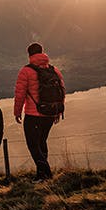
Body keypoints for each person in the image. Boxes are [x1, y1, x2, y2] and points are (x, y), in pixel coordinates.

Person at [13, 42, 65, 181]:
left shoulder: (26, 71)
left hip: (33, 115)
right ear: (42, 53)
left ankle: (46, 173)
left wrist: (17, 112)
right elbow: (61, 92)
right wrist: (57, 112)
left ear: (29, 55)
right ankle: (41, 176)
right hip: (50, 114)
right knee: (42, 142)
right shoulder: (54, 70)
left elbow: (20, 94)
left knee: (33, 145)